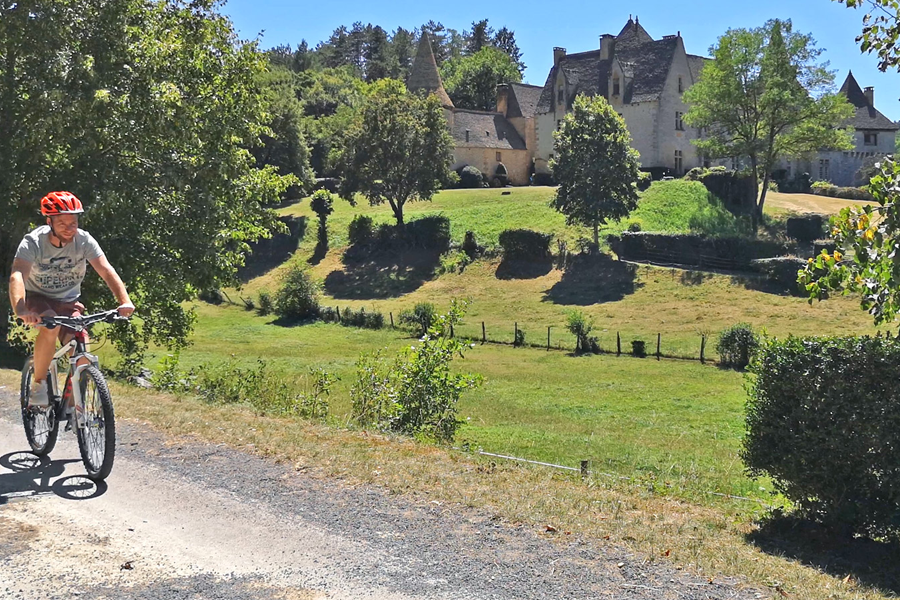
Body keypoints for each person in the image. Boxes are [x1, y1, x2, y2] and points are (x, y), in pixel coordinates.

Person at [8, 191, 135, 407]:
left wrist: (125, 301)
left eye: (73, 222)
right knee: (49, 325)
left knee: (82, 347)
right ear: (49, 222)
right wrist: (21, 309)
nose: (69, 228)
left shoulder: (84, 240)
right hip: (39, 298)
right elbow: (17, 274)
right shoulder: (33, 242)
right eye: (62, 223)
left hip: (69, 300)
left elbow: (106, 270)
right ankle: (39, 385)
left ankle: (77, 408)